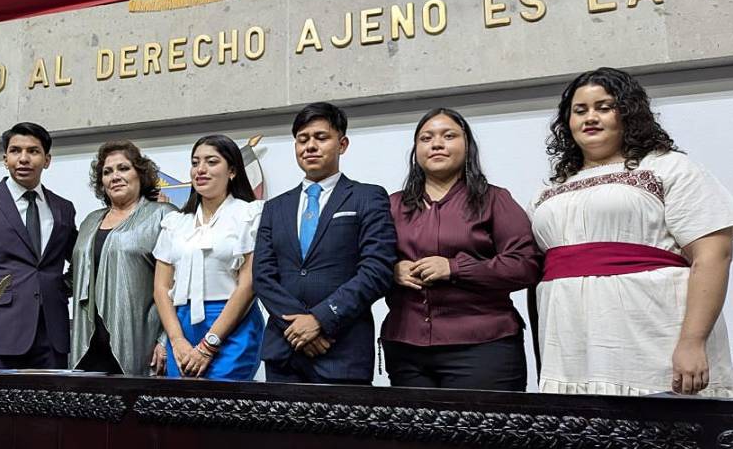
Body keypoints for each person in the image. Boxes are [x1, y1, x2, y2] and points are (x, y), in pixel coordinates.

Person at [530, 67, 733, 396]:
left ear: (628, 112)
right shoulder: (552, 190)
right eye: (580, 111)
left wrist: (692, 342)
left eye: (604, 107)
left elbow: (713, 255)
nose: (590, 117)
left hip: (652, 341)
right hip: (571, 346)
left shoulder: (668, 167)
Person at [380, 108, 541, 391]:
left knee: (485, 434)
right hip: (406, 348)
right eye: (426, 138)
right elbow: (365, 263)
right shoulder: (392, 205)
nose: (437, 144)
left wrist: (454, 268)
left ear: (467, 146)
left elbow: (525, 264)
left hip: (484, 346)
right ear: (416, 150)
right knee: (415, 436)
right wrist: (392, 270)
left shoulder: (494, 199)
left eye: (449, 136)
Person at [254, 102, 396, 384]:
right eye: (302, 139)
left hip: (341, 349)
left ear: (342, 144)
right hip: (284, 351)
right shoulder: (275, 207)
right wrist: (297, 327)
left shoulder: (368, 197)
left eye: (321, 138)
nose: (310, 146)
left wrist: (320, 320)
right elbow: (263, 276)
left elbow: (377, 270)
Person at [0, 122, 78, 369]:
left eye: (33, 151)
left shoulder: (63, 207)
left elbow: (80, 260)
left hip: (52, 335)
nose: (23, 159)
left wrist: (58, 287)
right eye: (15, 151)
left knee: (52, 406)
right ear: (5, 158)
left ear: (47, 160)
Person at [152, 134, 264, 381]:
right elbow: (161, 288)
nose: (200, 170)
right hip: (180, 325)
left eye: (211, 162)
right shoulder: (175, 222)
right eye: (195, 162)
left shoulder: (249, 214)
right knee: (179, 410)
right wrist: (176, 339)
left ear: (232, 170)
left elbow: (248, 284)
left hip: (232, 324)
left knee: (223, 409)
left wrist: (209, 345)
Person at [70, 141, 175, 375]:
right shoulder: (90, 221)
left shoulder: (163, 215)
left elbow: (177, 285)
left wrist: (165, 340)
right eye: (107, 172)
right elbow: (75, 277)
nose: (115, 176)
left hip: (141, 344)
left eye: (123, 168)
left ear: (140, 174)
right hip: (87, 347)